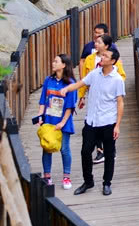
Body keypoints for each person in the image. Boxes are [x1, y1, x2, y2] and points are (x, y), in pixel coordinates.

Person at [50, 46, 125, 196]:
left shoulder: (117, 80)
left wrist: (117, 125)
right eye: (102, 55)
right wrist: (67, 89)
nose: (101, 57)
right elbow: (80, 83)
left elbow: (120, 103)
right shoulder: (95, 74)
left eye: (105, 56)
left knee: (109, 154)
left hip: (108, 121)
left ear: (113, 61)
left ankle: (107, 183)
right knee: (85, 152)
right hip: (91, 121)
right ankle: (88, 181)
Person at [79, 33, 126, 164]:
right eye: (96, 41)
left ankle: (108, 151)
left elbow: (121, 75)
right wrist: (81, 96)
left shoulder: (113, 59)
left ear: (106, 45)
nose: (96, 44)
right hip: (94, 94)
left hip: (108, 97)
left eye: (99, 42)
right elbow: (84, 78)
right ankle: (100, 151)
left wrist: (112, 86)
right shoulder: (90, 59)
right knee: (94, 120)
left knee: (106, 123)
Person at [36, 54, 77, 189]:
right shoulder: (48, 80)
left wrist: (63, 122)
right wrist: (40, 116)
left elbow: (70, 106)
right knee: (46, 147)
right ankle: (47, 176)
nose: (53, 63)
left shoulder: (70, 83)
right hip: (48, 119)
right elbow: (43, 100)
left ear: (63, 65)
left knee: (64, 149)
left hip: (63, 121)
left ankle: (66, 177)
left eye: (56, 61)